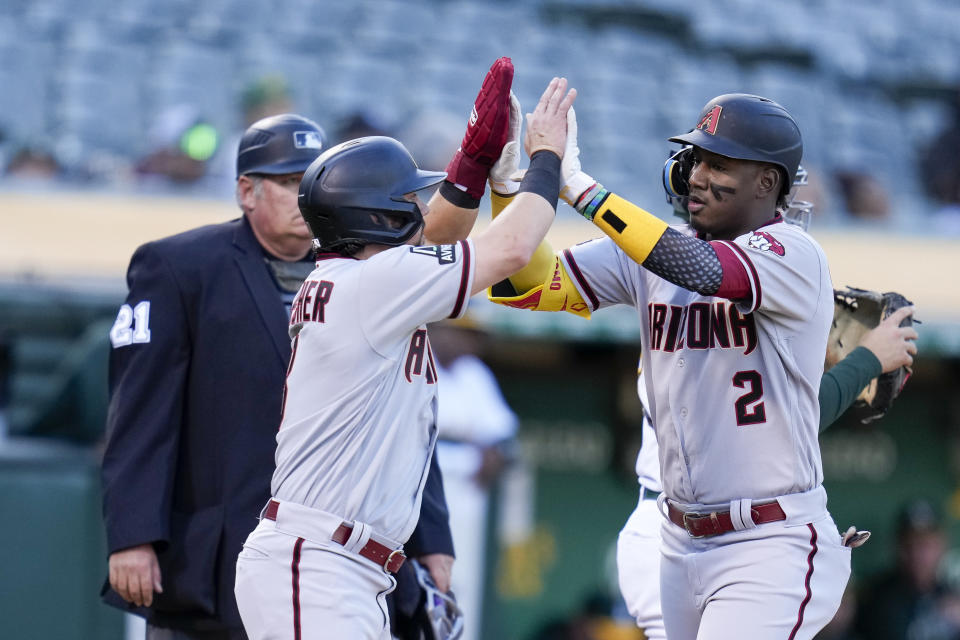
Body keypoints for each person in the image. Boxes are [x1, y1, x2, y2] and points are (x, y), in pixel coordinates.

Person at [479, 92, 853, 639]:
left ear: (767, 184)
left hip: (769, 540)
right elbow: (520, 288)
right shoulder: (662, 248)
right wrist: (512, 189)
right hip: (678, 540)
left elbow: (702, 269)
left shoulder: (794, 252)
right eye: (696, 159)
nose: (697, 175)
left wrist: (579, 187)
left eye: (718, 164)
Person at [232, 76, 577, 639]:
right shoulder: (376, 285)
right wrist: (543, 161)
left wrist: (471, 165)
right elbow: (512, 248)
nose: (419, 209)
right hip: (319, 563)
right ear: (379, 218)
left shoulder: (360, 279)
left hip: (340, 563)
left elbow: (431, 240)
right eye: (407, 202)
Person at [100, 112, 452, 639]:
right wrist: (132, 534)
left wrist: (433, 538)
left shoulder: (371, 272)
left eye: (312, 180)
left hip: (337, 568)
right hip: (215, 560)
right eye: (289, 183)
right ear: (246, 191)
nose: (304, 195)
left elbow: (402, 416)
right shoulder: (179, 267)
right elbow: (140, 411)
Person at [617, 305, 918, 640]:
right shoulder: (712, 300)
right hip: (692, 535)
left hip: (683, 529)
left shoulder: (684, 291)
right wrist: (867, 359)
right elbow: (792, 424)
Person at [429, 317, 519, 640]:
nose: (472, 344)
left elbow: (503, 434)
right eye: (464, 334)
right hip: (421, 487)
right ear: (439, 329)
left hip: (465, 491)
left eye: (475, 337)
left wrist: (494, 453)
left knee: (461, 578)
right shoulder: (417, 361)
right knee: (421, 576)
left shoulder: (474, 374)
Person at [854, 499, 960, 640]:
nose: (918, 554)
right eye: (910, 544)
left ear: (941, 545)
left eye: (926, 545)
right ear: (897, 547)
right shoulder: (875, 598)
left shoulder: (951, 594)